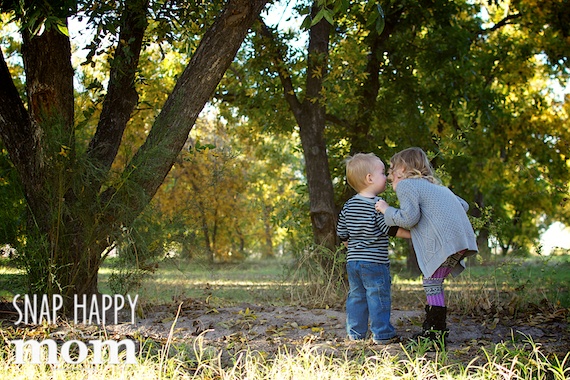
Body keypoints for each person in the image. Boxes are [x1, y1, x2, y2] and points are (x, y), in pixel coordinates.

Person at [374, 147, 478, 345]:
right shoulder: (437, 187)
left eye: (391, 169)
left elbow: (408, 218)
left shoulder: (407, 185)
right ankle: (435, 331)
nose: (388, 176)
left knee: (432, 283)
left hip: (446, 243)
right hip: (461, 241)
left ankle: (434, 334)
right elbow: (463, 205)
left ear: (402, 169)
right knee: (433, 282)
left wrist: (386, 209)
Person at [337, 153, 411, 344]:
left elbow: (342, 233)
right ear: (369, 178)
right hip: (375, 262)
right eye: (382, 173)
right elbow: (391, 229)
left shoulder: (348, 205)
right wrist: (414, 234)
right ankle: (382, 334)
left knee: (356, 297)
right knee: (378, 296)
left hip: (353, 262)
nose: (386, 176)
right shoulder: (377, 206)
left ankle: (355, 334)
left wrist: (353, 247)